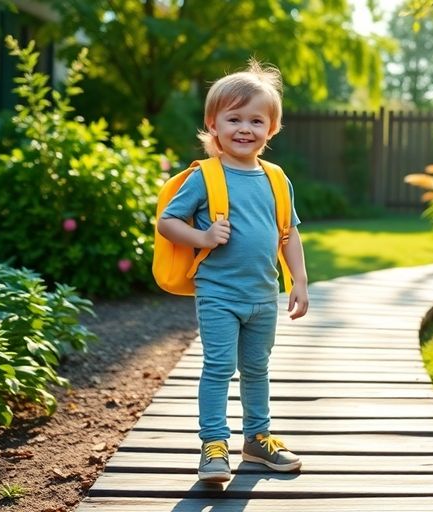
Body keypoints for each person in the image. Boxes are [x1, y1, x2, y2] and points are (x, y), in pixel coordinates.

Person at [156, 60, 309, 483]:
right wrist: (203, 238)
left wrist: (299, 280)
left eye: (256, 120)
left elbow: (288, 234)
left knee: (257, 368)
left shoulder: (277, 179)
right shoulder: (206, 176)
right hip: (219, 293)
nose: (245, 128)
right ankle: (214, 444)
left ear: (271, 128)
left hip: (264, 295)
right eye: (234, 118)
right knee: (219, 367)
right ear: (213, 123)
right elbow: (167, 222)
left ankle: (257, 439)